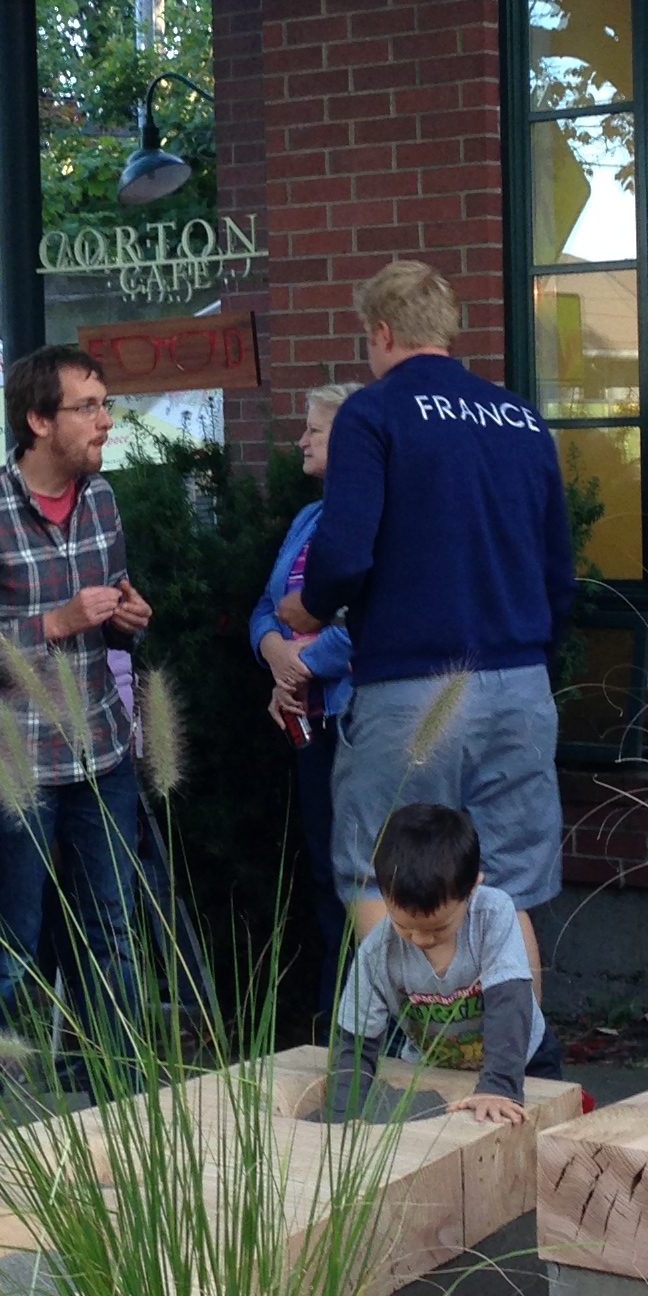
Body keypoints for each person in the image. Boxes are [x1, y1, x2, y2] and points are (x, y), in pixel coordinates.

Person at [283, 260, 575, 942]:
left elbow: (346, 549)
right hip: (520, 682)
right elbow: (559, 572)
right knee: (508, 889)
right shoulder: (521, 418)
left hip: (412, 686)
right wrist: (532, 660)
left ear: (381, 331)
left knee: (378, 872)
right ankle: (513, 1048)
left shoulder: (372, 413)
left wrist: (311, 609)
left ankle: (408, 1046)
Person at [0, 343, 154, 1076]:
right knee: (12, 932)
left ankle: (106, 1085)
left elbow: (111, 605)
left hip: (101, 746)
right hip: (17, 753)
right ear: (37, 420)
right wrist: (52, 625)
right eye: (87, 407)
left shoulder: (105, 500)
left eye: (106, 403)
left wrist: (127, 616)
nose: (105, 420)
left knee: (112, 929)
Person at [328, 804, 548, 1123]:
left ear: (473, 887)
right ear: (384, 895)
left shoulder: (493, 914)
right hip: (431, 1071)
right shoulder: (377, 952)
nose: (420, 939)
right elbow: (355, 1042)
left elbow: (509, 1001)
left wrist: (499, 1086)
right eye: (405, 926)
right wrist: (343, 1118)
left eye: (438, 928)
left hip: (519, 1062)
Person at [250, 386, 355, 1034]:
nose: (301, 441)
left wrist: (304, 664)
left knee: (362, 872)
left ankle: (367, 1023)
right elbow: (264, 605)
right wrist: (276, 654)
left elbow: (372, 624)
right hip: (303, 721)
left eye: (313, 431)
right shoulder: (308, 520)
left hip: (356, 715)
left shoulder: (372, 519)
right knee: (323, 872)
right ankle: (333, 1013)